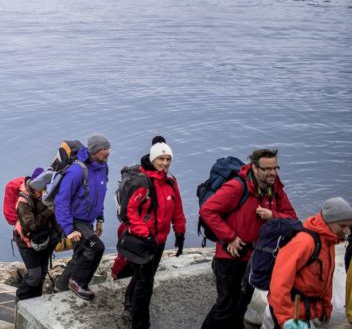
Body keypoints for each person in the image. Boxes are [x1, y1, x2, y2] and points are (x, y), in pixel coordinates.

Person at [200, 148, 297, 329]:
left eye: (275, 168)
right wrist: (230, 237)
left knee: (241, 305)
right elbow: (207, 210)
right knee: (226, 307)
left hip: (256, 258)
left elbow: (293, 219)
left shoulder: (275, 188)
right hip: (230, 256)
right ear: (254, 167)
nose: (272, 173)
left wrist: (272, 215)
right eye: (267, 169)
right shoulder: (237, 186)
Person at [121, 138, 186, 328]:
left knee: (144, 279)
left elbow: (177, 209)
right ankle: (140, 323)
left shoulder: (171, 182)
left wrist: (180, 233)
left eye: (168, 159)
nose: (165, 163)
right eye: (161, 159)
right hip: (143, 241)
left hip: (159, 241)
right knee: (145, 285)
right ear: (153, 159)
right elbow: (130, 212)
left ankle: (129, 304)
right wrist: (144, 234)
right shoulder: (143, 182)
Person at [266, 197, 352, 328]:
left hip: (307, 310)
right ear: (329, 221)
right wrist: (285, 320)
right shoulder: (305, 242)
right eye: (343, 226)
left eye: (349, 226)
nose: (346, 231)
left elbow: (326, 279)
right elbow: (279, 283)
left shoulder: (329, 242)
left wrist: (326, 308)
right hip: (290, 312)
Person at [53, 134, 111, 300]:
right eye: (103, 149)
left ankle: (60, 287)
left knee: (80, 255)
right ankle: (78, 283)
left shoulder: (103, 168)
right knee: (95, 247)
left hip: (88, 221)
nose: (107, 152)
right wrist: (69, 230)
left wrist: (100, 218)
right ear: (93, 151)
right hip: (75, 221)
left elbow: (99, 195)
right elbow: (61, 201)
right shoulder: (77, 171)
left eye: (108, 148)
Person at [14, 167, 58, 301]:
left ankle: (35, 300)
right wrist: (49, 211)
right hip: (26, 240)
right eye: (42, 189)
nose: (44, 192)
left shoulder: (46, 194)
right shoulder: (23, 202)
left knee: (42, 273)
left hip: (44, 238)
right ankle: (20, 298)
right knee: (34, 275)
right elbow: (31, 225)